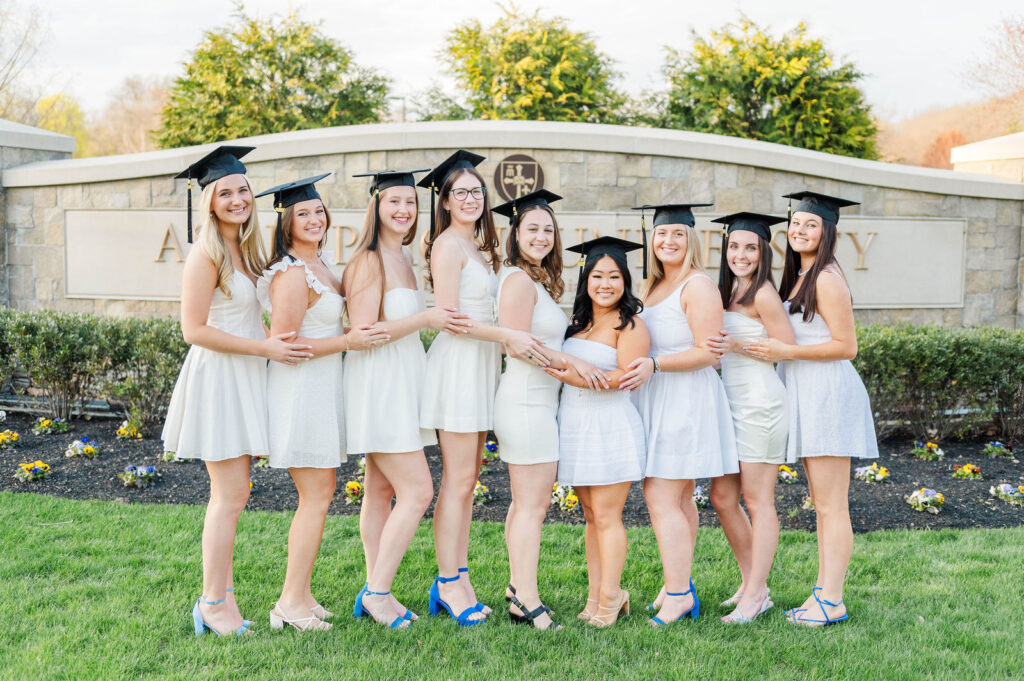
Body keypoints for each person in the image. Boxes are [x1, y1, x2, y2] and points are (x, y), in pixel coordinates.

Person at [163, 146, 311, 637]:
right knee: (228, 497)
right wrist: (263, 348)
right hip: (220, 378)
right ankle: (211, 602)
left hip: (243, 372)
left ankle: (223, 597)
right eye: (224, 192)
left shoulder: (243, 251)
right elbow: (193, 329)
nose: (237, 199)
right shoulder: (205, 254)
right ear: (208, 202)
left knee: (236, 493)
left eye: (242, 190)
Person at [418, 151, 550, 626]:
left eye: (477, 192)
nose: (471, 199)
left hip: (480, 370)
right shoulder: (446, 246)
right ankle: (450, 582)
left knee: (468, 481)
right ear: (446, 201)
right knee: (456, 483)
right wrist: (509, 337)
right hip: (457, 369)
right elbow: (452, 321)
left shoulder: (478, 245)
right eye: (461, 193)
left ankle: (460, 576)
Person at [256, 175, 388, 632]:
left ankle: (304, 595)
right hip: (301, 393)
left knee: (321, 495)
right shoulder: (292, 273)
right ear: (286, 223)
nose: (314, 219)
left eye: (318, 211)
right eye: (303, 214)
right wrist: (349, 341)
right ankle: (289, 604)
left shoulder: (322, 266)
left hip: (323, 390)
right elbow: (284, 345)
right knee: (315, 498)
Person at [343, 168, 471, 629]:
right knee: (418, 490)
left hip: (403, 384)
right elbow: (362, 334)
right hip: (380, 388)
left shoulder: (405, 260)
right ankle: (377, 593)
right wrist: (428, 319)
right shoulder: (368, 261)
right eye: (393, 201)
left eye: (410, 203)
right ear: (375, 206)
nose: (403, 210)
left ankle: (379, 589)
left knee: (379, 492)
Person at [745, 191, 879, 626]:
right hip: (807, 391)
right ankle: (821, 594)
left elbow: (847, 346)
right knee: (821, 503)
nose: (800, 231)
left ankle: (832, 600)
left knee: (831, 505)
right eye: (796, 223)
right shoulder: (801, 274)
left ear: (827, 232)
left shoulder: (826, 278)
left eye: (811, 225)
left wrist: (786, 351)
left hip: (827, 395)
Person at [491, 190, 609, 631]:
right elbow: (518, 347)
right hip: (525, 402)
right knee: (532, 507)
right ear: (515, 233)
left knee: (525, 504)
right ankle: (527, 599)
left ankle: (516, 586)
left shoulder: (533, 279)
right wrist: (574, 363)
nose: (540, 236)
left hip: (535, 401)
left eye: (547, 229)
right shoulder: (518, 280)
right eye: (532, 229)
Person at [617, 203, 738, 627]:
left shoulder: (697, 285)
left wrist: (656, 366)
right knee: (681, 498)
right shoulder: (653, 285)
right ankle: (677, 584)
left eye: (678, 235)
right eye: (661, 234)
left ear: (692, 240)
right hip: (657, 395)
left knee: (661, 496)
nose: (668, 241)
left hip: (683, 398)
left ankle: (679, 595)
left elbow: (709, 352)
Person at [545, 236, 649, 629]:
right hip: (575, 425)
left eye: (615, 276)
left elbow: (626, 376)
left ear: (626, 281)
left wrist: (574, 374)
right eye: (598, 276)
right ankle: (596, 595)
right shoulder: (579, 322)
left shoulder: (630, 324)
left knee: (607, 516)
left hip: (610, 428)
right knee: (590, 516)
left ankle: (611, 597)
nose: (605, 284)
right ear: (586, 279)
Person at [706, 211, 794, 623]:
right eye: (735, 246)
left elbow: (787, 347)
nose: (741, 255)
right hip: (729, 404)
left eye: (750, 248)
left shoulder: (764, 296)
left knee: (758, 502)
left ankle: (757, 595)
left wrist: (736, 346)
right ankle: (750, 582)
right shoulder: (721, 293)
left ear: (763, 253)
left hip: (760, 404)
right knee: (722, 498)